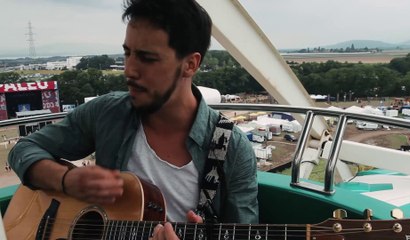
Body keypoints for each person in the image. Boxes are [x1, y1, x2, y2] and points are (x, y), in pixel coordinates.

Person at [8, 0, 258, 238]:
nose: (129, 70)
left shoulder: (231, 148)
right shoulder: (108, 112)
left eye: (147, 58)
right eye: (128, 53)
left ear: (190, 64)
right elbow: (24, 149)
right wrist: (66, 180)